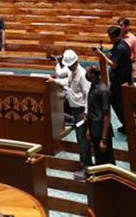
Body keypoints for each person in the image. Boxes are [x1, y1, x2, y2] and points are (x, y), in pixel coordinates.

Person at [53, 49, 92, 177]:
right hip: (75, 109)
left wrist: (86, 113)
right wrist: (56, 81)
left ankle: (87, 168)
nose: (68, 67)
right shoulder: (72, 71)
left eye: (70, 64)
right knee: (80, 139)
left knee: (83, 139)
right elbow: (68, 83)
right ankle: (84, 164)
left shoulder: (82, 74)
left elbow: (87, 95)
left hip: (81, 111)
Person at [93, 25, 132, 133]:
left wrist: (102, 55)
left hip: (121, 81)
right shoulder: (119, 44)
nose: (110, 39)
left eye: (111, 37)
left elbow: (113, 64)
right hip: (119, 80)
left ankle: (128, 126)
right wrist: (104, 52)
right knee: (116, 102)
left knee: (120, 104)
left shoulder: (120, 47)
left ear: (116, 36)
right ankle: (125, 124)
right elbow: (112, 54)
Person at [85, 65, 114, 168]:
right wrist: (89, 129)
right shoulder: (93, 86)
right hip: (94, 128)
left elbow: (107, 116)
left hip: (102, 130)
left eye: (87, 73)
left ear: (93, 75)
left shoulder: (103, 91)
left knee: (107, 161)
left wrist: (104, 139)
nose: (86, 75)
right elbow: (91, 110)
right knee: (98, 159)